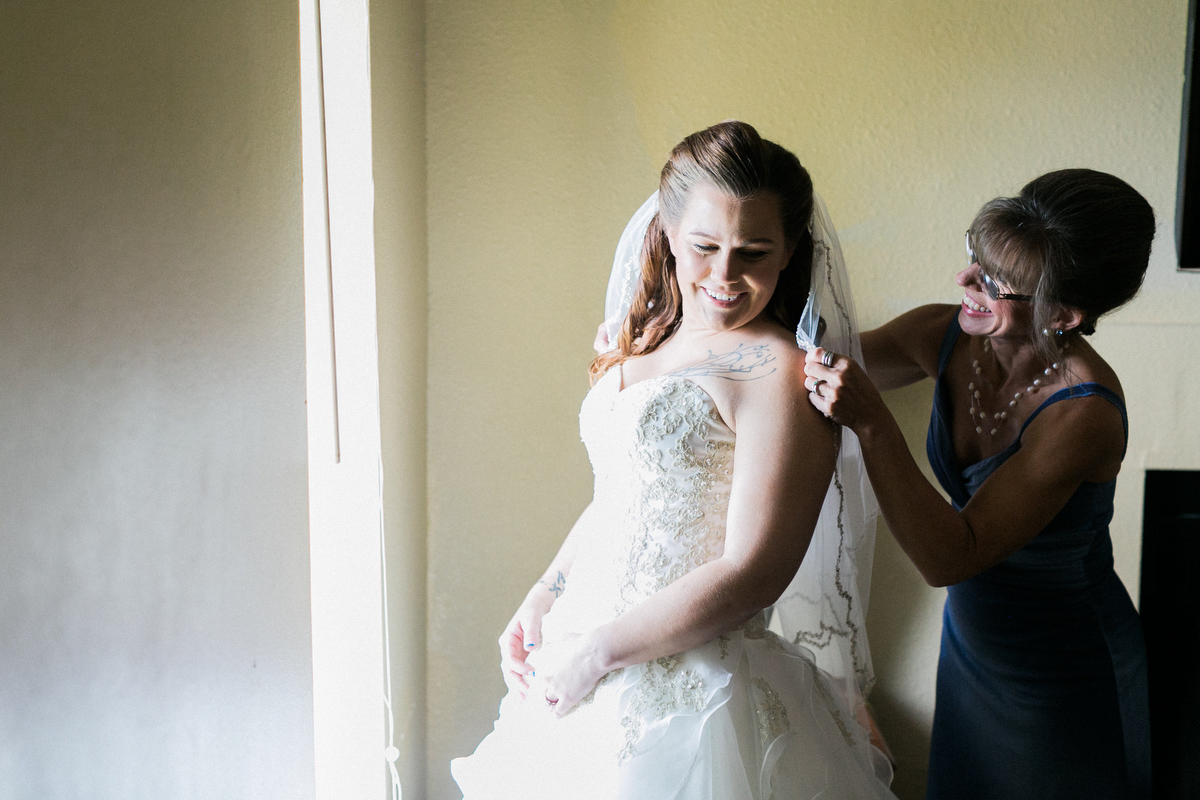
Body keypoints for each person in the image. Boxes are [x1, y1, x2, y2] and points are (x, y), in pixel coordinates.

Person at [452, 121, 895, 799]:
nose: (724, 276)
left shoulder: (779, 373)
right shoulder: (640, 342)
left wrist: (599, 654)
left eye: (754, 252)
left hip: (695, 689)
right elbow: (621, 500)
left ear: (789, 254)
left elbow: (755, 572)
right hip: (582, 662)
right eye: (705, 247)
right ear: (667, 231)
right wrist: (545, 595)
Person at [801, 169, 1154, 799]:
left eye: (996, 282)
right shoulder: (942, 336)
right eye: (975, 257)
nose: (966, 282)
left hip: (1063, 666)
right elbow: (816, 361)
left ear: (1066, 315)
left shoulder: (1083, 412)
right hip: (973, 643)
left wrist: (875, 426)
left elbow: (949, 556)